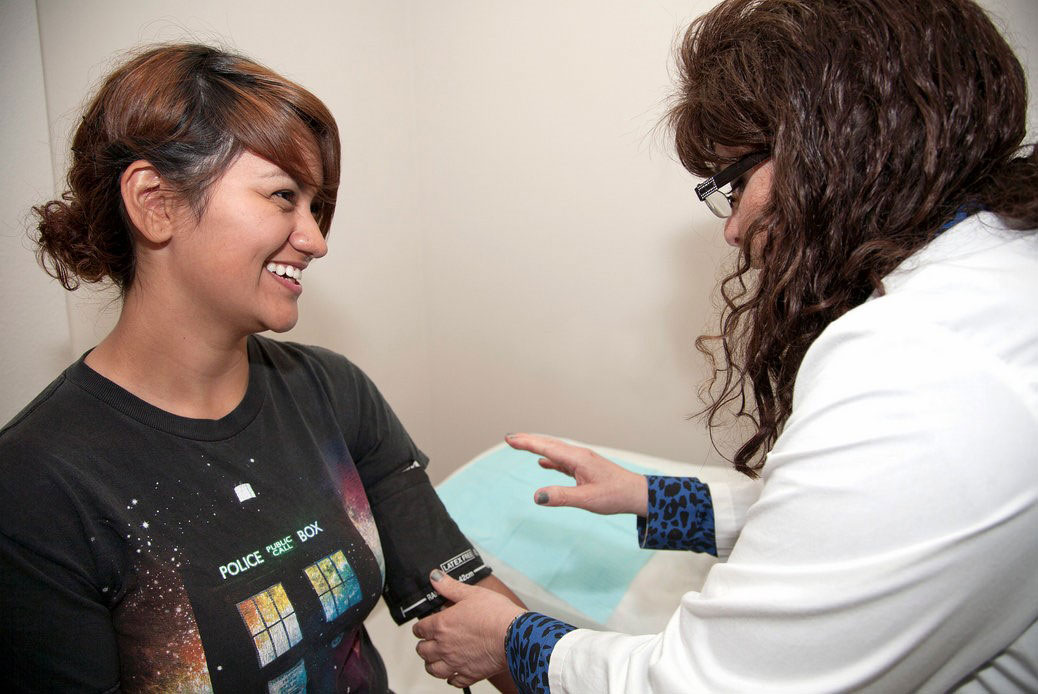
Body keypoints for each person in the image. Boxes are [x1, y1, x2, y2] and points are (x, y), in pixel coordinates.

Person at [411, 0, 1038, 691]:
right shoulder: (999, 282)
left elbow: (708, 684)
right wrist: (653, 498)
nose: (733, 230)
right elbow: (858, 529)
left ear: (834, 143)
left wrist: (511, 641)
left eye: (736, 185)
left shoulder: (922, 362)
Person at [0, 44, 521, 693]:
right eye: (283, 197)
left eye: (316, 206)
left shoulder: (331, 393)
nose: (317, 240)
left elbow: (466, 601)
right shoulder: (36, 485)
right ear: (155, 201)